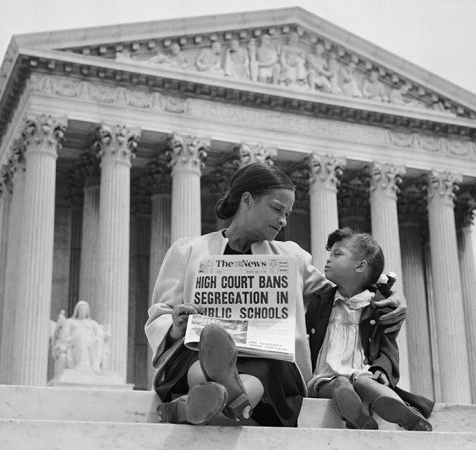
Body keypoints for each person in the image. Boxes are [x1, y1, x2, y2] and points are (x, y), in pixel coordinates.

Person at [145, 163, 407, 427]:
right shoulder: (188, 250)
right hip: (199, 350)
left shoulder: (292, 257)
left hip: (269, 359)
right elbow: (160, 314)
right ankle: (228, 395)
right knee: (204, 352)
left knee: (269, 364)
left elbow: (344, 293)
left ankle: (205, 399)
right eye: (277, 209)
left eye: (288, 213)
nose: (283, 220)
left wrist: (386, 293)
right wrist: (176, 326)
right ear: (247, 200)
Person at [305, 228, 433, 431]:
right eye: (330, 254)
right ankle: (356, 414)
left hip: (361, 370)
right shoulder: (319, 301)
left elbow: (387, 345)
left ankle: (404, 412)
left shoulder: (377, 306)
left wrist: (383, 368)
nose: (328, 259)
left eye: (337, 254)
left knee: (367, 383)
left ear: (360, 266)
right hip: (325, 375)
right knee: (339, 384)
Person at [64, 301, 107, 371]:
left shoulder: (92, 323)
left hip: (90, 340)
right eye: (81, 310)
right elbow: (65, 334)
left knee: (97, 341)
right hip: (75, 339)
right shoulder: (70, 321)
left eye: (84, 310)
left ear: (87, 312)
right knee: (81, 337)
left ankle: (95, 366)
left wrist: (100, 336)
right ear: (77, 311)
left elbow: (99, 333)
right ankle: (82, 363)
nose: (83, 311)